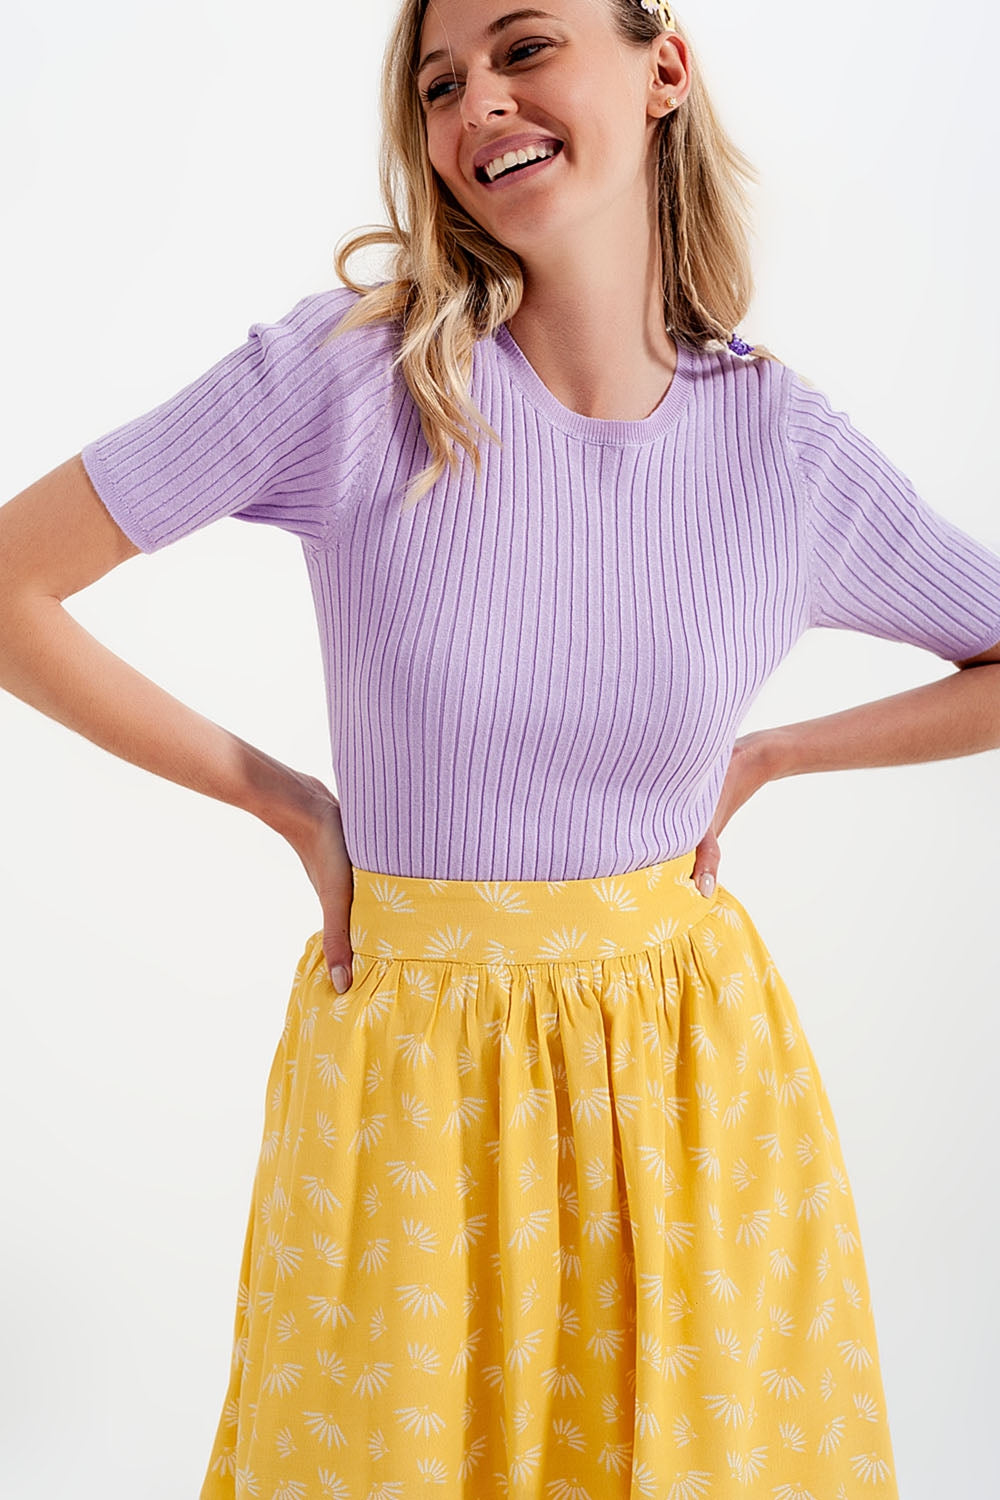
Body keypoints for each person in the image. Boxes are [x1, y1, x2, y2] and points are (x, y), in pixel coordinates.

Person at [2, 0, 999, 1494]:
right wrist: (290, 806)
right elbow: (12, 584)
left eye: (525, 49)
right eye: (440, 83)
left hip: (686, 1087)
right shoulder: (355, 377)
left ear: (663, 69)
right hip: (412, 1084)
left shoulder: (781, 450)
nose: (478, 105)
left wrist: (778, 753)